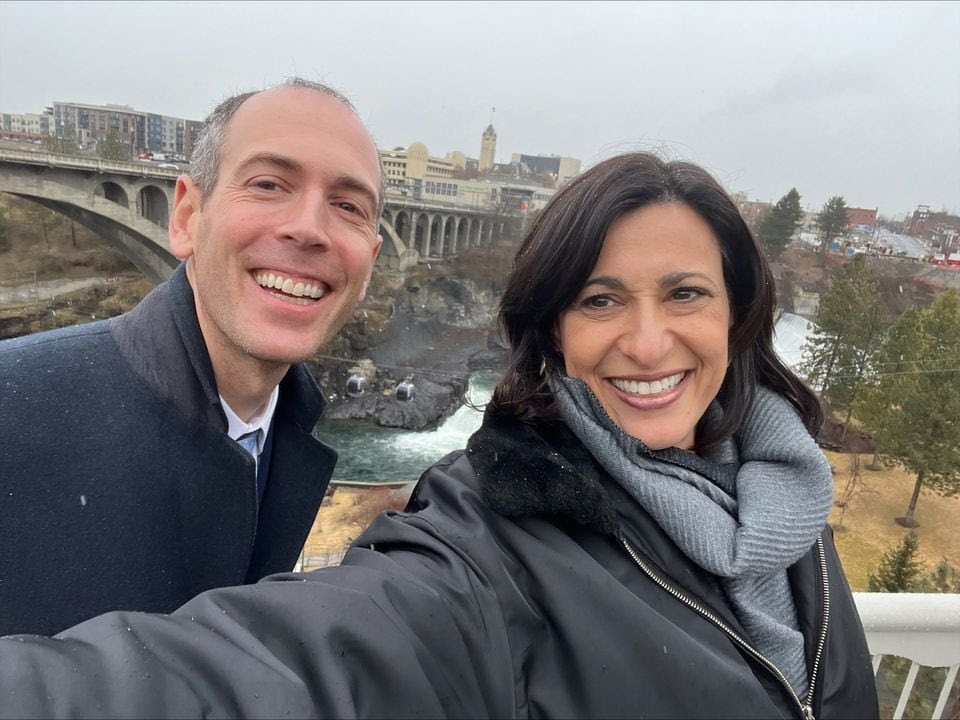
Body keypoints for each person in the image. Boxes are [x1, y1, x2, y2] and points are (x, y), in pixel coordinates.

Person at [0, 153, 877, 719]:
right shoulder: (489, 551)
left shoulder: (784, 493)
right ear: (555, 335)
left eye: (685, 293)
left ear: (738, 314)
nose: (648, 343)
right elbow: (290, 669)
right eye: (599, 300)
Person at [0, 78, 383, 637]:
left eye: (348, 206)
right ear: (185, 217)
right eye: (269, 183)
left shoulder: (285, 437)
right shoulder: (15, 410)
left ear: (370, 262)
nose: (308, 228)